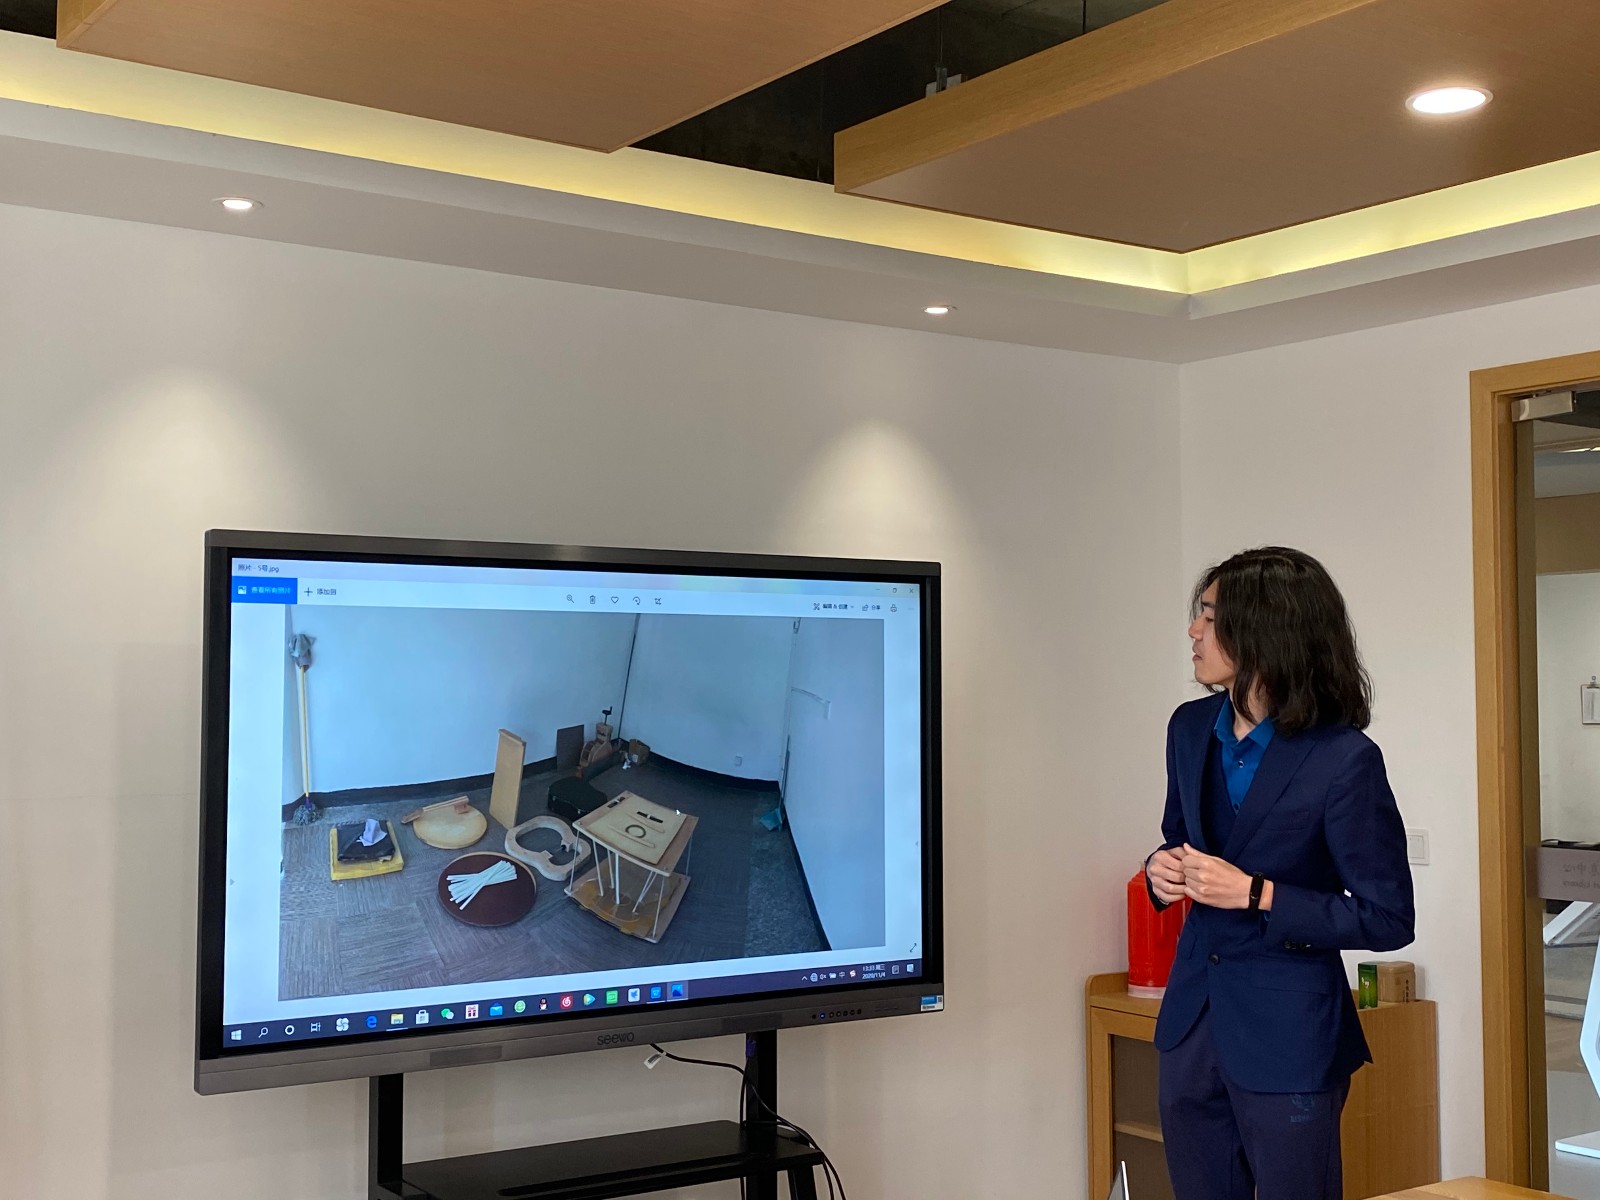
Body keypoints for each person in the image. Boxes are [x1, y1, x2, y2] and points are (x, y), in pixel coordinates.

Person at [1145, 547, 1414, 1200]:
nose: (1193, 630)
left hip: (1290, 1037)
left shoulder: (1344, 759)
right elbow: (1179, 838)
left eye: (1210, 615)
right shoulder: (1188, 728)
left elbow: (1387, 917)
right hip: (1191, 1027)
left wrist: (1258, 894)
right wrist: (1161, 869)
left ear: (1265, 632)